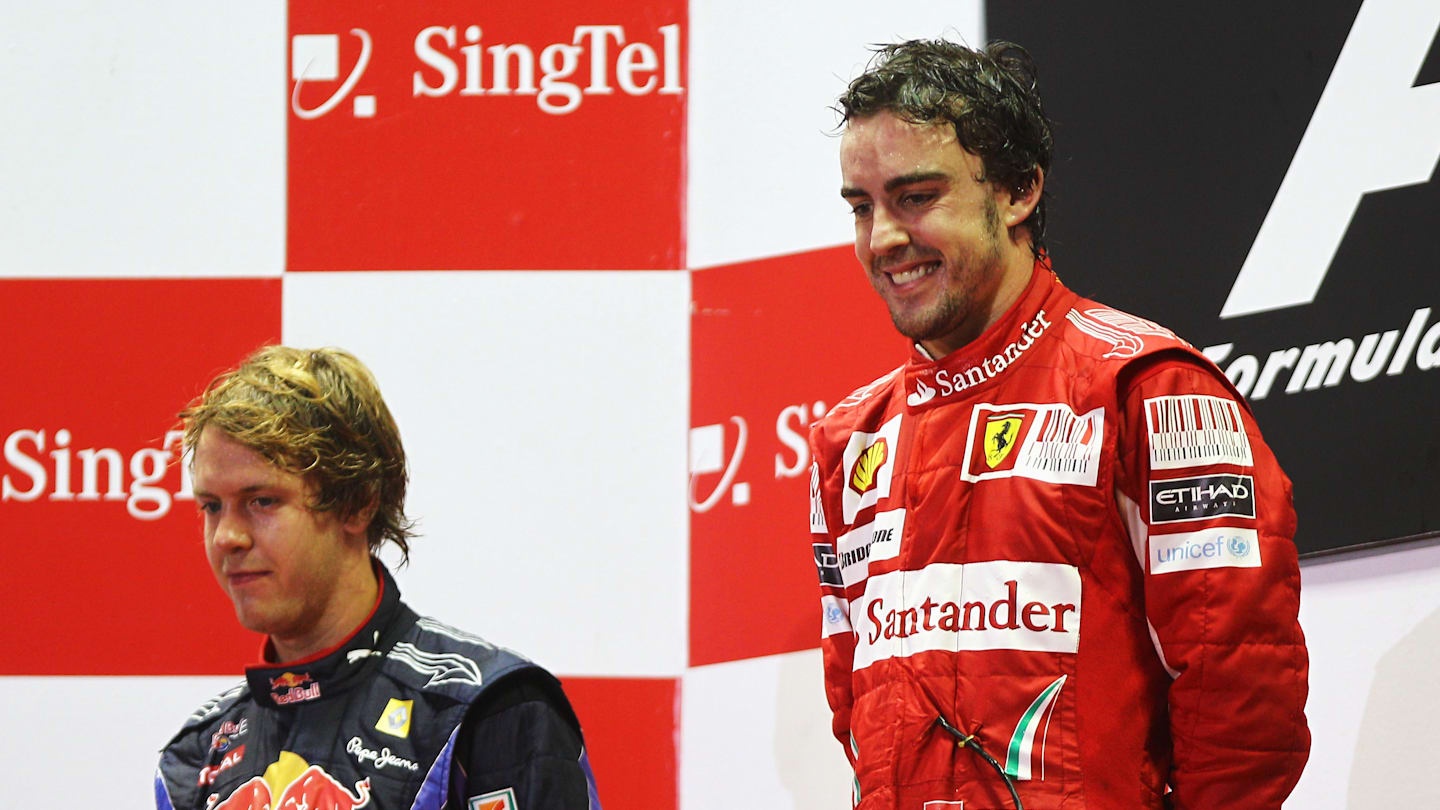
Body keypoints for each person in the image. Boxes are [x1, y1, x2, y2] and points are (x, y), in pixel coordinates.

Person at [808, 39, 1309, 809]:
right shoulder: (849, 442)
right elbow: (857, 710)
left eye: (915, 197)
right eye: (861, 206)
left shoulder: (1148, 386)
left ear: (1017, 192)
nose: (883, 239)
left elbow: (1241, 688)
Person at [155, 346, 601, 810]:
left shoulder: (485, 711)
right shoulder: (195, 757)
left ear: (358, 502)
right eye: (211, 507)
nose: (227, 537)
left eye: (262, 501)